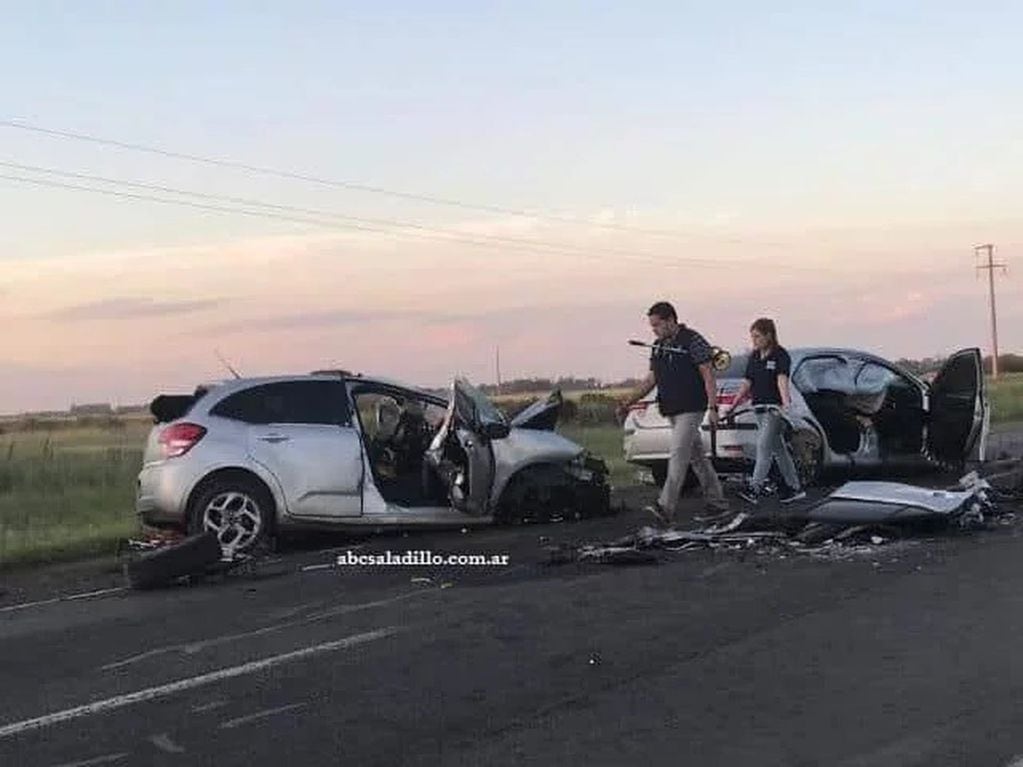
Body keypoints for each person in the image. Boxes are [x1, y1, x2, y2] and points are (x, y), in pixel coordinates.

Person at [617, 301, 731, 526]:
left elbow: (708, 374)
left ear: (671, 320)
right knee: (697, 457)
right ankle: (717, 503)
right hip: (672, 410)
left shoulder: (693, 340)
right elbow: (651, 380)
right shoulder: (658, 346)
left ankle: (665, 507)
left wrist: (713, 407)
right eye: (652, 326)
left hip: (692, 408)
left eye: (657, 325)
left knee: (678, 454)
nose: (654, 330)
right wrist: (627, 401)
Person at [723, 317, 807, 504]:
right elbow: (747, 383)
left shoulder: (780, 355)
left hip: (774, 409)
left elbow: (781, 379)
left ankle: (755, 488)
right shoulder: (754, 357)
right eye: (752, 337)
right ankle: (794, 488)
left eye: (758, 336)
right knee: (779, 449)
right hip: (759, 408)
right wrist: (733, 406)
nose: (754, 340)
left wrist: (786, 403)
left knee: (764, 447)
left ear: (769, 335)